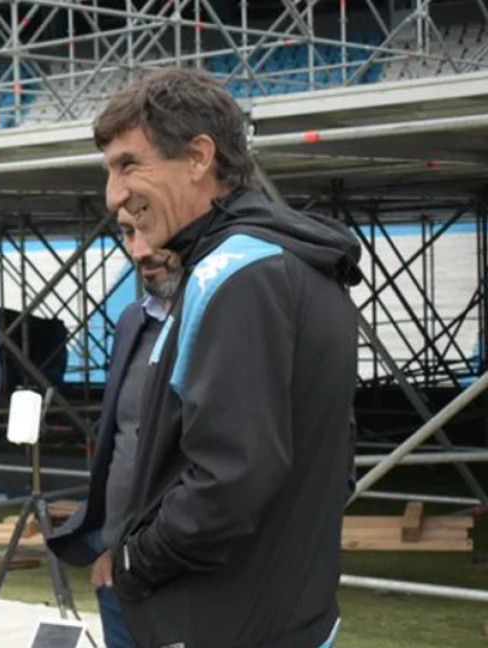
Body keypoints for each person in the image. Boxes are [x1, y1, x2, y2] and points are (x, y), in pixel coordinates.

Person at [95, 68, 362, 648]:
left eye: (128, 165)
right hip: (286, 614)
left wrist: (137, 559)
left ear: (198, 157)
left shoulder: (235, 273)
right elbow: (336, 453)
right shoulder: (296, 263)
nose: (115, 195)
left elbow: (230, 478)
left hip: (223, 622)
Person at [47, 207, 182, 648]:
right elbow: (120, 445)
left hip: (191, 574)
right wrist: (108, 544)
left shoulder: (225, 324)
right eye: (128, 233)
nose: (140, 250)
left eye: (153, 231)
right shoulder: (132, 321)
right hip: (123, 572)